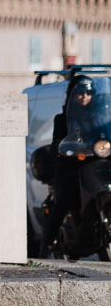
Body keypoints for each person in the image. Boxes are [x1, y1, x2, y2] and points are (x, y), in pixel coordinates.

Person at [39, 75, 95, 257]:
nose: (84, 97)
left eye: (89, 93)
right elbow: (57, 143)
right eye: (80, 93)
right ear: (73, 95)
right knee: (64, 201)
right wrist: (65, 148)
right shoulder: (62, 119)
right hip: (70, 168)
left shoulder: (98, 117)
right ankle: (46, 246)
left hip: (93, 167)